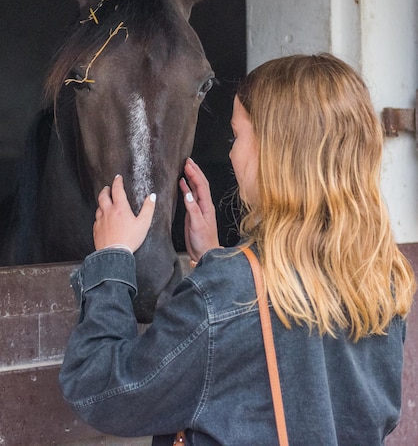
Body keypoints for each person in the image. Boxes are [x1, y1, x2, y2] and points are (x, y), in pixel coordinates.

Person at [59, 53, 416, 445]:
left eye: (238, 136)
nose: (230, 154)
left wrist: (112, 260)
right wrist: (214, 257)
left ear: (276, 151)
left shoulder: (229, 290)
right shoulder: (383, 278)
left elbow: (103, 392)